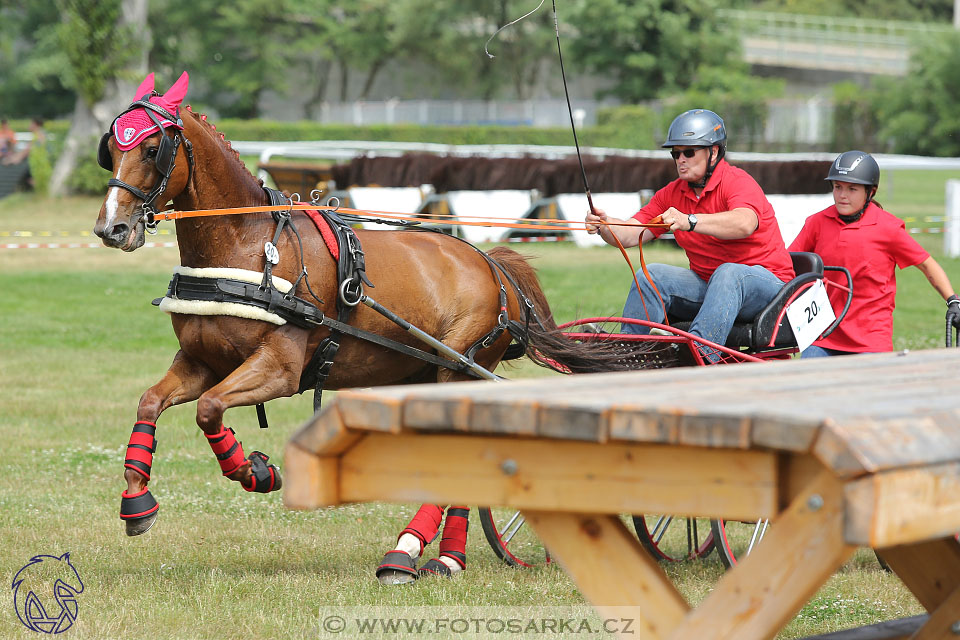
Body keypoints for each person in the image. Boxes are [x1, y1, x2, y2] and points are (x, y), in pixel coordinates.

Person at [585, 108, 795, 358]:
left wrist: (690, 221)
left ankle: (697, 353)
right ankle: (629, 353)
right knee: (651, 275)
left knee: (729, 272)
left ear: (714, 152)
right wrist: (605, 226)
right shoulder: (672, 193)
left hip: (769, 287)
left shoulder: (738, 182)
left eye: (689, 152)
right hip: (712, 286)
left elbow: (744, 223)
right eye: (676, 153)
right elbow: (631, 234)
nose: (680, 159)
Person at [788, 150, 960, 356]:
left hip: (870, 341)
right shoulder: (816, 223)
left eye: (852, 189)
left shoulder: (888, 228)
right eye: (837, 187)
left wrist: (952, 300)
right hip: (824, 336)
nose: (842, 195)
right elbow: (789, 263)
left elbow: (926, 264)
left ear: (871, 192)